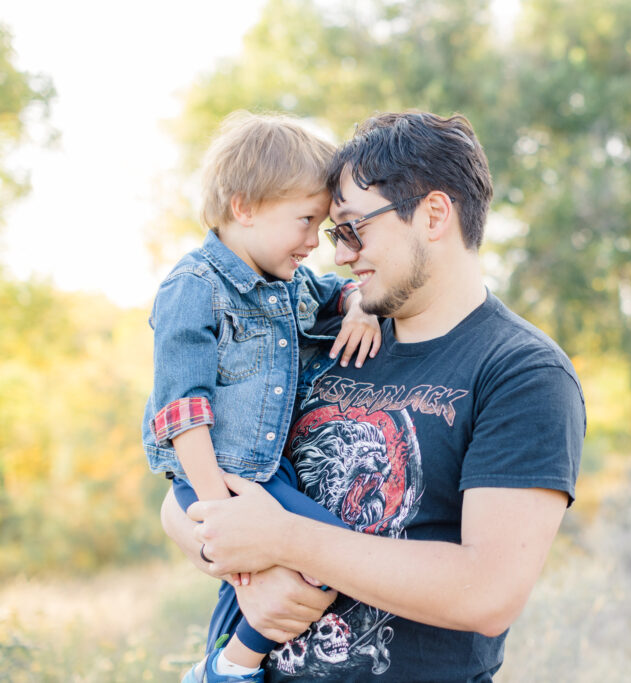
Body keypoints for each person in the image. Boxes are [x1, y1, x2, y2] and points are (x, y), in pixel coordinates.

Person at [162, 110, 586, 682]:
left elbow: (488, 593)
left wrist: (285, 540)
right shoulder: (319, 341)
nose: (338, 254)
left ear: (433, 214)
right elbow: (182, 498)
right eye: (334, 233)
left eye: (353, 229)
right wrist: (247, 573)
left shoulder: (521, 373)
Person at [142, 111, 382, 683]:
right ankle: (232, 666)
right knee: (336, 552)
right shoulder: (193, 288)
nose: (312, 242)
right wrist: (219, 511)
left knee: (272, 575)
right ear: (244, 206)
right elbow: (183, 412)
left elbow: (337, 292)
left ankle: (216, 665)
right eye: (304, 220)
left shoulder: (289, 283)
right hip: (216, 476)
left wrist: (357, 304)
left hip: (267, 474)